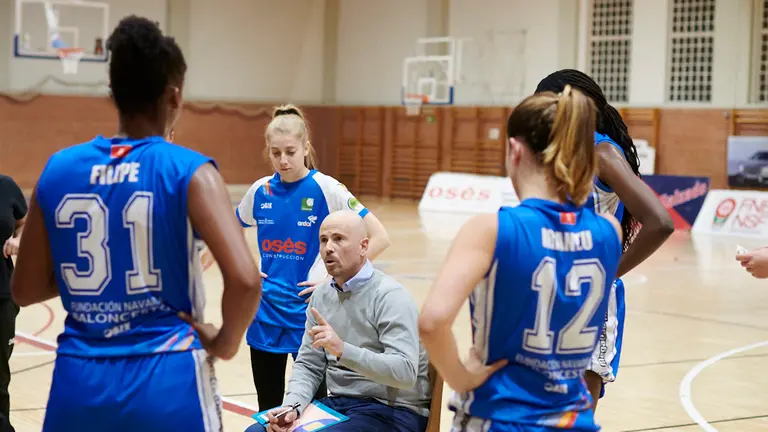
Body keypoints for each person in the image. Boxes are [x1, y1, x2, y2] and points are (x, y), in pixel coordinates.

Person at [10, 15, 262, 432]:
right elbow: (247, 281)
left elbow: (25, 289)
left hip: (79, 385)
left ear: (113, 93)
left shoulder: (58, 170)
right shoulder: (191, 171)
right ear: (175, 97)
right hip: (169, 381)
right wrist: (223, 342)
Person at [418, 86, 624, 431]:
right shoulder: (609, 232)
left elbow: (432, 321)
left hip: (500, 417)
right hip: (574, 418)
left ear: (514, 150)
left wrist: (462, 377)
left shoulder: (492, 229)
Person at [232, 104, 391, 411]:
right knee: (267, 410)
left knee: (313, 410)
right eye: (275, 153)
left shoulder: (327, 188)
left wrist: (334, 277)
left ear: (305, 147)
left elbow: (380, 236)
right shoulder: (260, 191)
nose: (283, 160)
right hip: (265, 316)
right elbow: (230, 227)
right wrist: (244, 265)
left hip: (312, 317)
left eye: (290, 151)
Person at [535, 69, 674, 409]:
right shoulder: (558, 156)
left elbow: (659, 222)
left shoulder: (603, 154)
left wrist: (608, 273)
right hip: (551, 292)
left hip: (590, 299)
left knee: (575, 415)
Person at [252, 210, 431, 432]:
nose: (328, 247)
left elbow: (404, 373)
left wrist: (343, 350)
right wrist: (293, 406)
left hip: (393, 410)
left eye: (338, 239)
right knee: (258, 431)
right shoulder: (320, 295)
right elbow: (309, 363)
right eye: (324, 240)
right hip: (339, 405)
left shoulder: (391, 297)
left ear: (363, 247)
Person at [0, 174, 27, 432]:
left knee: (0, 377)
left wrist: (18, 239)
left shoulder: (6, 186)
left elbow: (23, 223)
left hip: (2, 296)